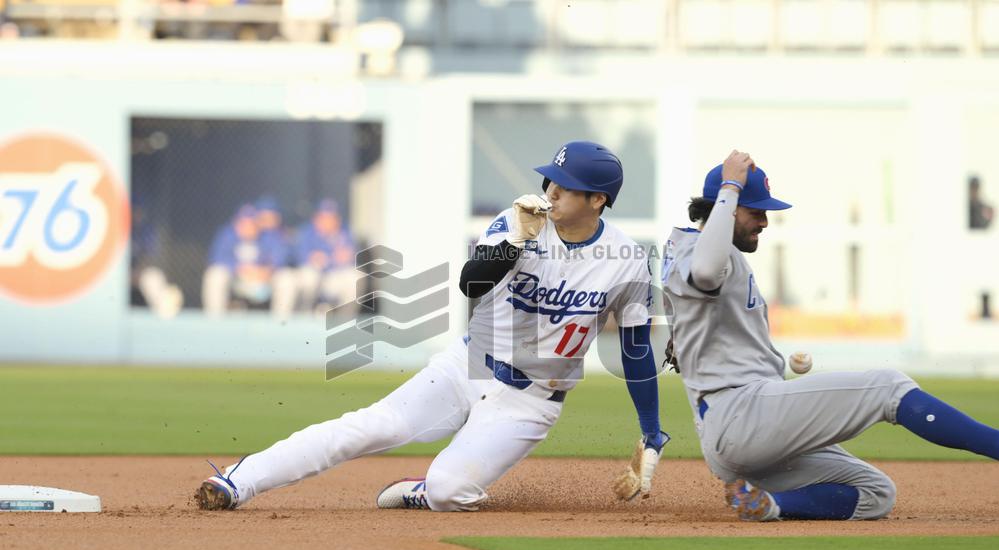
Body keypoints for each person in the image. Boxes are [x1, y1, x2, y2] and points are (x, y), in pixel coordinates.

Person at [195, 140, 669, 511]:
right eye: (551, 180)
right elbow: (471, 283)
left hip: (530, 401)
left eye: (565, 186)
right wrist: (517, 243)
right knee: (365, 427)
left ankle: (423, 490)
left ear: (598, 199)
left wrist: (651, 431)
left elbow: (634, 348)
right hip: (467, 366)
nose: (551, 191)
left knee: (448, 492)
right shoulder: (519, 221)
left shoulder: (625, 260)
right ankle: (239, 480)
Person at [661, 150, 999, 522]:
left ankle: (768, 505)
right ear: (724, 207)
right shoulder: (701, 250)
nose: (764, 222)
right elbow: (707, 273)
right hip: (741, 412)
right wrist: (730, 185)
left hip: (742, 430)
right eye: (755, 211)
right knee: (888, 387)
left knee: (875, 493)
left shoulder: (696, 252)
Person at [293, 199, 360, 315]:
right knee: (309, 276)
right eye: (324, 217)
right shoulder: (306, 233)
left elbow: (350, 258)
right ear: (316, 218)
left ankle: (346, 320)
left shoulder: (345, 232)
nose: (328, 221)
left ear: (337, 219)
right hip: (313, 279)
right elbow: (299, 258)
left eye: (332, 218)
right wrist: (315, 259)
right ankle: (303, 315)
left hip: (333, 278)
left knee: (355, 277)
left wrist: (334, 258)